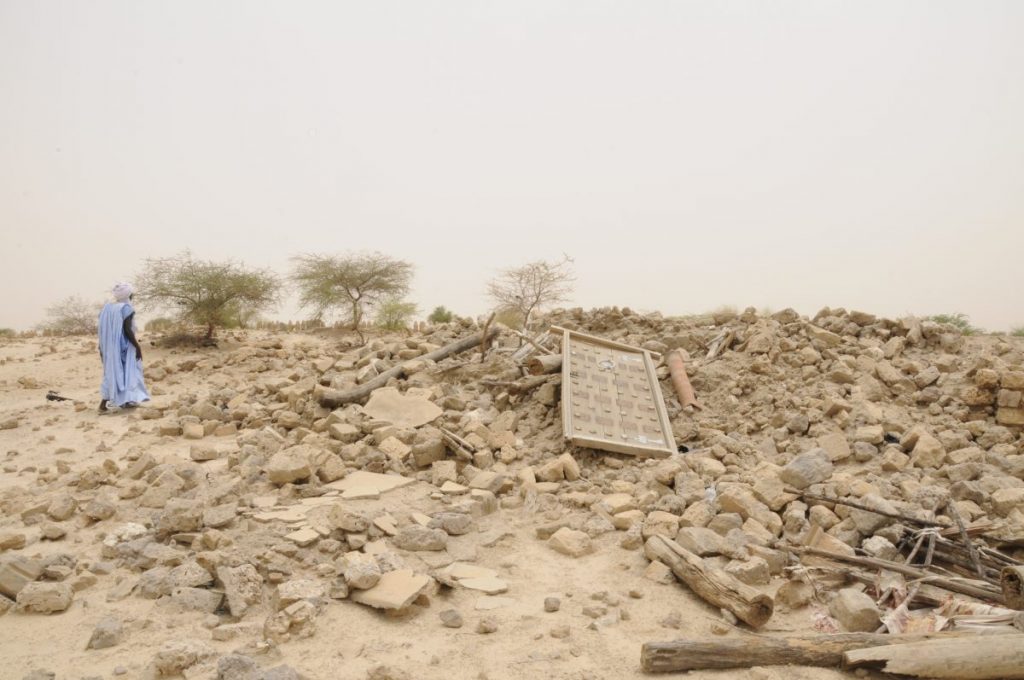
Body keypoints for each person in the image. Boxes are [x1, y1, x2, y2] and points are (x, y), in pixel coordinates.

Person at [98, 282, 150, 412]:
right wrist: (137, 346)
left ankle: (122, 402)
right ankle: (105, 404)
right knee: (130, 373)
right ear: (129, 295)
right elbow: (127, 330)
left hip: (110, 348)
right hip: (125, 347)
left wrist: (101, 348)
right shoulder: (126, 308)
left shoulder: (108, 308)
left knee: (113, 373)